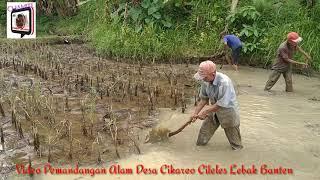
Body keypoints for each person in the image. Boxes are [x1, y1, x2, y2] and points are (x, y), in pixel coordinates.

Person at [192, 60, 243, 150]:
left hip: (228, 111)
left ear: (213, 74)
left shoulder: (224, 82)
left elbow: (222, 104)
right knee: (203, 134)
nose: (203, 79)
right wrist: (195, 113)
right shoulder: (205, 81)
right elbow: (204, 99)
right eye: (202, 77)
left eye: (205, 77)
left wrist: (205, 112)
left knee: (236, 145)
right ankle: (198, 151)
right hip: (213, 109)